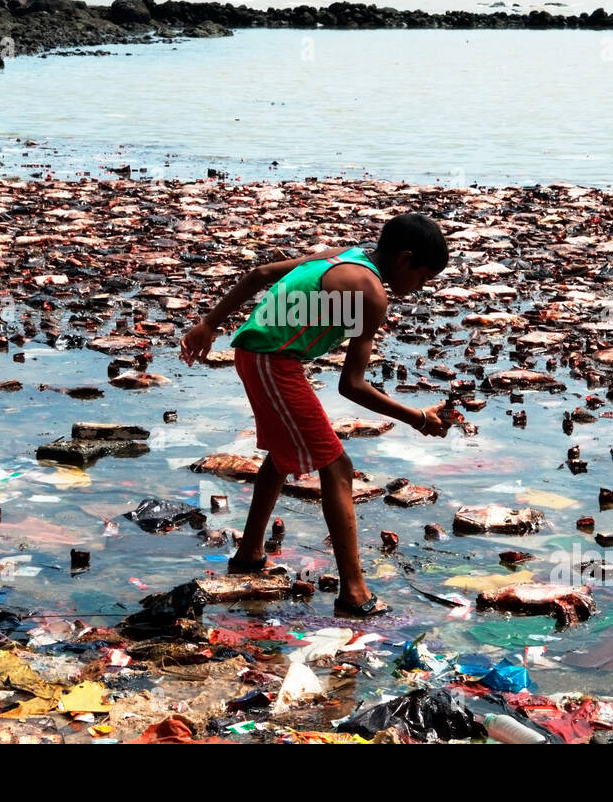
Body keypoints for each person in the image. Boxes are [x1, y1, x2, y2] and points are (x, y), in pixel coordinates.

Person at [180, 212, 451, 617]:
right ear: (405, 259)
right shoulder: (371, 293)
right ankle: (354, 593)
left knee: (283, 453)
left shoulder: (349, 255)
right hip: (273, 363)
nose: (419, 288)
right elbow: (352, 386)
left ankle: (250, 553)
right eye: (423, 277)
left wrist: (209, 324)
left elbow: (261, 273)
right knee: (338, 467)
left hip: (261, 357)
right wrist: (418, 418)